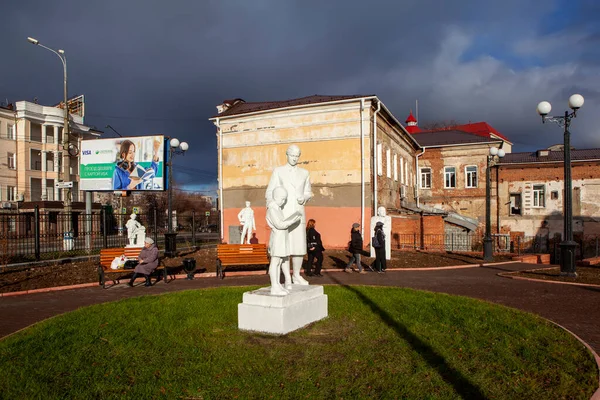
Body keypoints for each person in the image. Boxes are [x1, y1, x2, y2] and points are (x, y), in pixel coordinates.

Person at [265, 144, 313, 285]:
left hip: (298, 213)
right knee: (284, 247)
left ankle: (296, 275)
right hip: (283, 214)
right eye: (292, 155)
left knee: (298, 247)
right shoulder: (278, 171)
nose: (294, 158)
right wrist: (271, 207)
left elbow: (308, 191)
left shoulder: (304, 173)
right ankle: (287, 278)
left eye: (297, 156)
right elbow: (270, 191)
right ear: (287, 155)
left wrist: (304, 198)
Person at [266, 186, 301, 295]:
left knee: (280, 261)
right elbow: (280, 224)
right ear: (275, 197)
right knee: (275, 261)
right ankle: (274, 286)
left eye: (285, 199)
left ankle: (277, 284)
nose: (283, 201)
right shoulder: (272, 209)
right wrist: (292, 220)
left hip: (282, 237)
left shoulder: (277, 209)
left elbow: (282, 223)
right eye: (282, 199)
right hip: (277, 238)